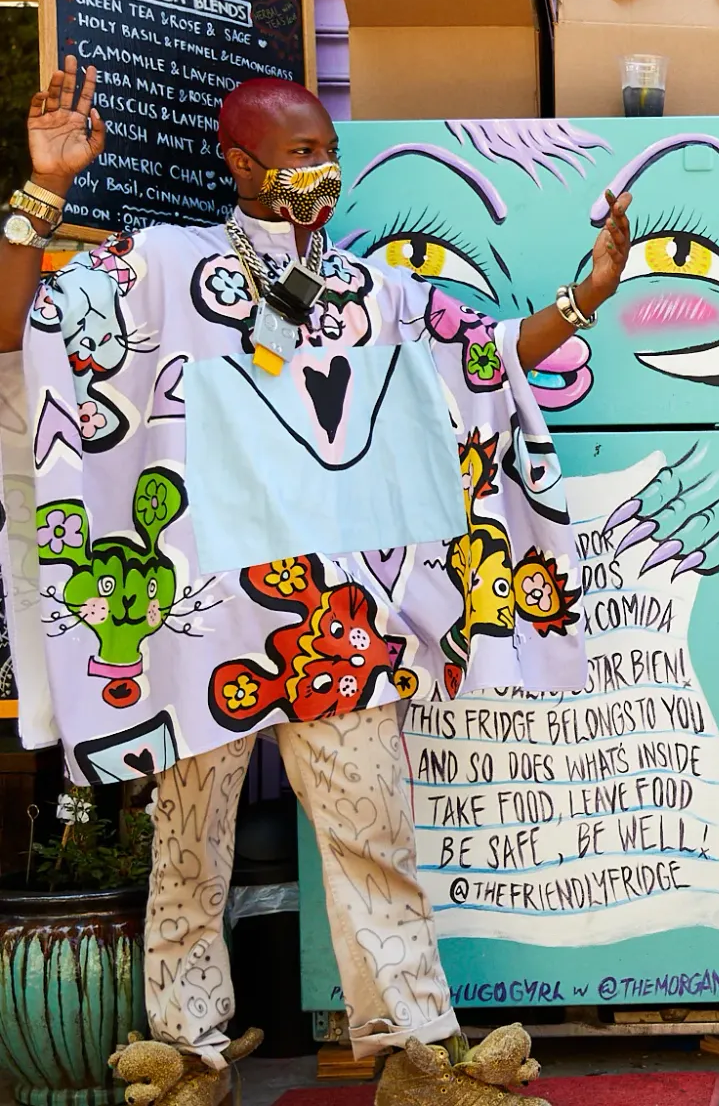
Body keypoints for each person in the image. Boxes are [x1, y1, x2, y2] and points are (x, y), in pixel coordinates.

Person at [0, 60, 631, 1106]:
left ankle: (421, 1054)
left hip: (340, 625)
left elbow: (486, 361)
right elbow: (20, 331)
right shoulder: (158, 265)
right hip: (200, 628)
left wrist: (588, 293)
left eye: (327, 149)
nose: (322, 172)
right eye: (298, 155)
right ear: (240, 165)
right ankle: (188, 1055)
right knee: (189, 845)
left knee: (374, 833)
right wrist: (44, 192)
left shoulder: (372, 291)